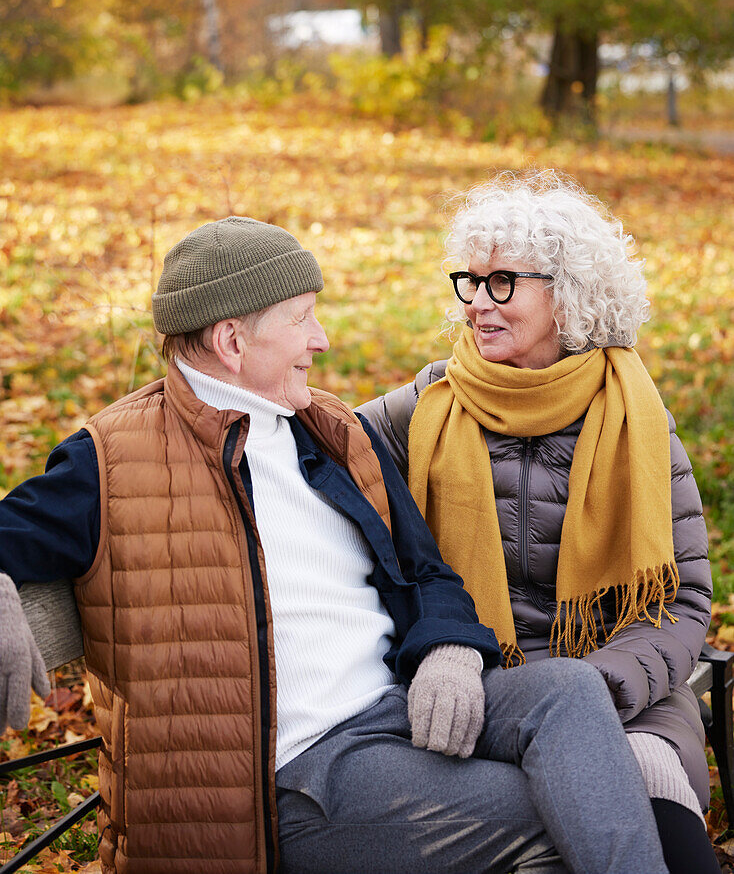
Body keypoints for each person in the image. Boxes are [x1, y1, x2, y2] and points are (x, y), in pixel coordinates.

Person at [0, 216, 671, 874]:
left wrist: (447, 649)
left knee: (569, 692)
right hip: (301, 776)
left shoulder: (329, 433)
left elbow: (425, 570)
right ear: (233, 339)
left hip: (396, 709)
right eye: (301, 319)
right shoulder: (112, 461)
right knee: (568, 807)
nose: (319, 340)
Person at [358, 171, 717, 874]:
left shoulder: (635, 417)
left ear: (567, 293)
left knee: (651, 795)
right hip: (472, 690)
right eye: (469, 281)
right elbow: (312, 448)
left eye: (502, 284)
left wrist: (600, 689)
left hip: (625, 694)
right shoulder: (417, 412)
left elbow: (681, 600)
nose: (476, 305)